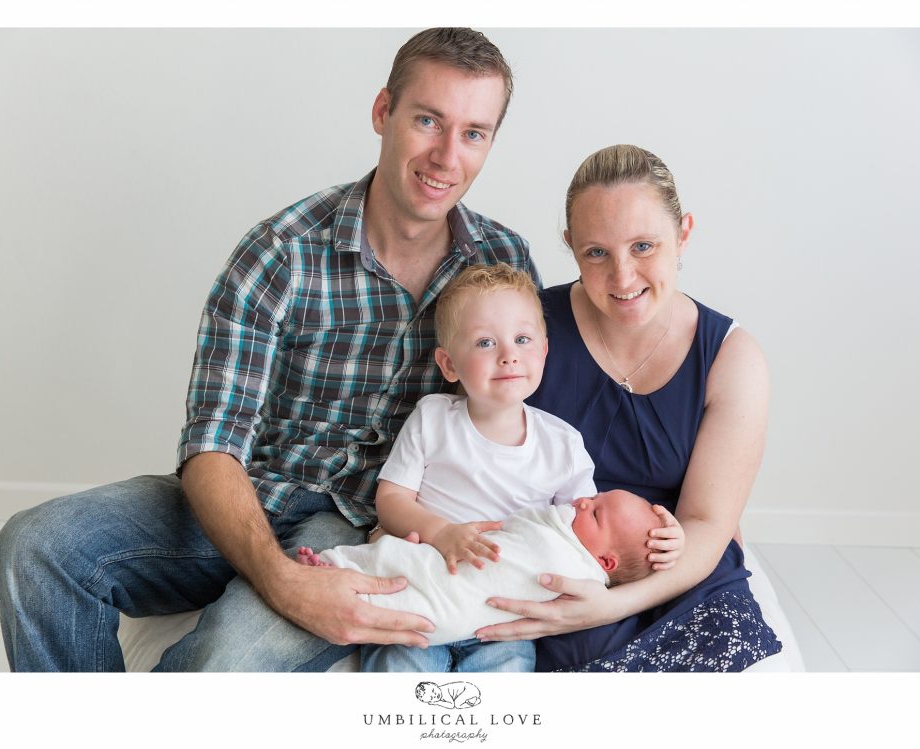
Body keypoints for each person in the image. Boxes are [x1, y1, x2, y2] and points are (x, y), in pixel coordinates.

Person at [0, 27, 539, 672]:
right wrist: (280, 580)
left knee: (222, 669)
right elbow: (213, 443)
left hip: (365, 527)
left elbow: (527, 411)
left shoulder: (502, 264)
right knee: (35, 545)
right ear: (382, 112)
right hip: (252, 489)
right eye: (428, 120)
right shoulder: (280, 250)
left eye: (474, 133)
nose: (448, 156)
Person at [475, 144, 783, 672]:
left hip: (677, 567)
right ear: (570, 246)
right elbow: (474, 448)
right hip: (550, 557)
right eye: (597, 253)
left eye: (644, 246)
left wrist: (610, 605)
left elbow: (708, 523)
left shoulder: (733, 358)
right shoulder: (525, 331)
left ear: (683, 232)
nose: (623, 277)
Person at [352, 263, 685, 671]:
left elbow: (592, 531)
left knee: (508, 668)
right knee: (398, 660)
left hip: (501, 611)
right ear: (449, 364)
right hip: (425, 584)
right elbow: (391, 499)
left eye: (522, 339)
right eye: (485, 343)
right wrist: (441, 533)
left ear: (543, 351)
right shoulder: (433, 418)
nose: (509, 355)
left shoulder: (562, 444)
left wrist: (663, 540)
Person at [295, 490, 671, 647]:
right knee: (407, 562)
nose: (583, 500)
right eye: (596, 496)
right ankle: (335, 570)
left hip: (461, 602)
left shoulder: (577, 571)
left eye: (596, 511)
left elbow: (530, 527)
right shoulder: (577, 531)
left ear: (605, 562)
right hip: (454, 575)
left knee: (409, 576)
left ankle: (334, 569)